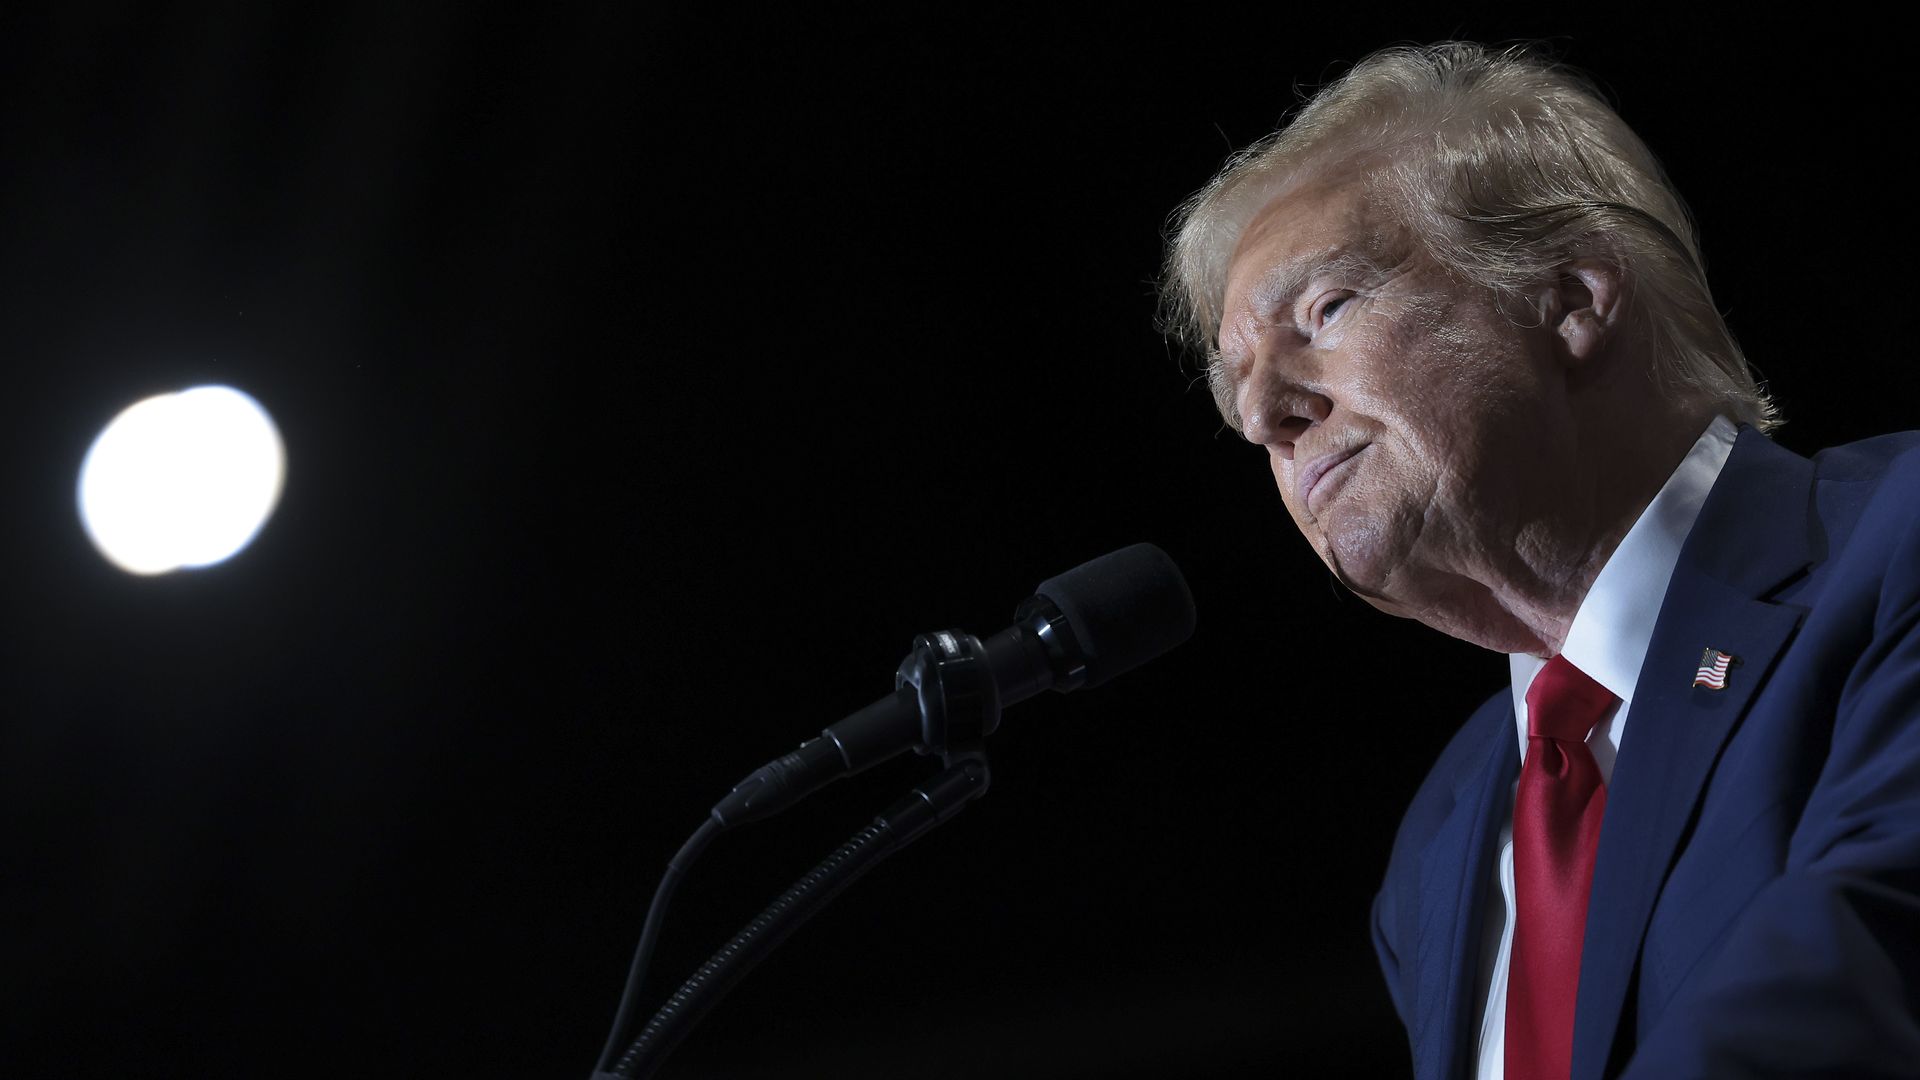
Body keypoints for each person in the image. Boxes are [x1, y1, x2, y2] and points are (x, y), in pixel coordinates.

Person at [1161, 42, 1920, 1080]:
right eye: (1236, 390)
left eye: (1325, 311)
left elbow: (1870, 959)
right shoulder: (1440, 845)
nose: (1263, 415)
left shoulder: (1897, 548)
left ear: (1570, 296)